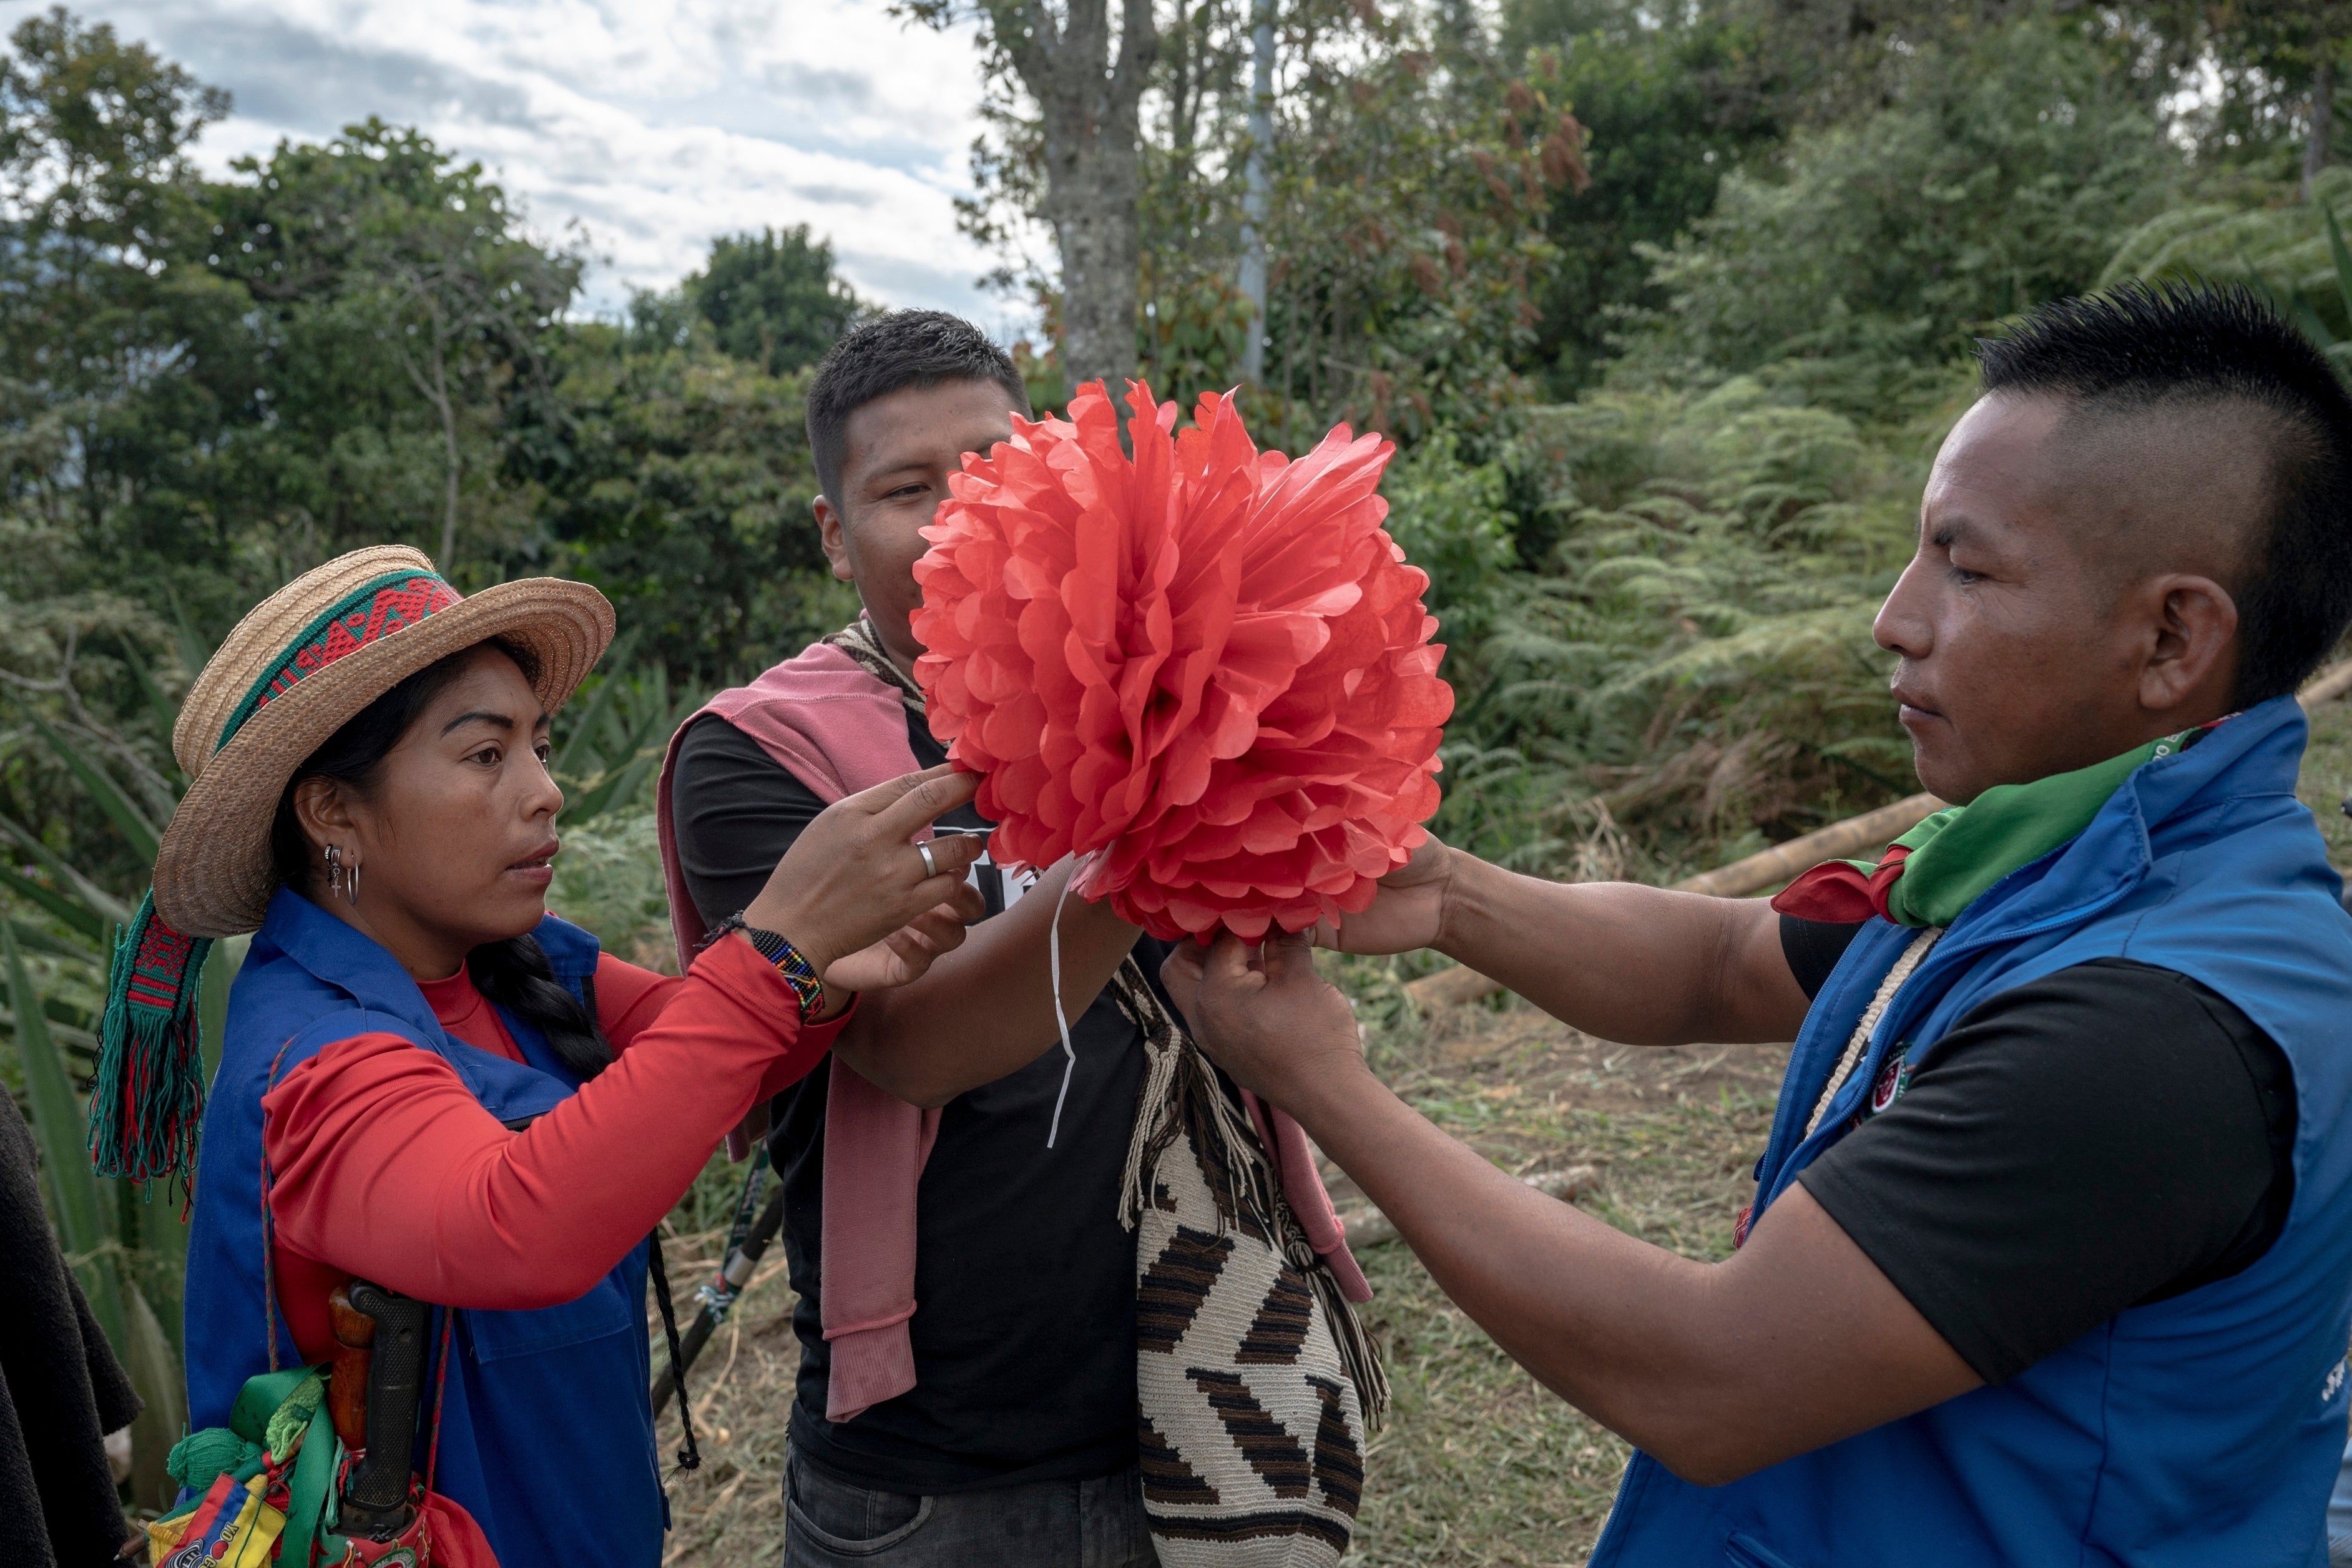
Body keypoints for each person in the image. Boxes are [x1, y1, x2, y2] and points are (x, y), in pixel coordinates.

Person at [1164, 282, 2352, 1566]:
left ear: (2174, 636)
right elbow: (1727, 965)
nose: (1895, 618)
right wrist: (1451, 894)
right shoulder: (2080, 862)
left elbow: (1710, 1378)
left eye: (1965, 564)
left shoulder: (2153, 1027)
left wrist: (1322, 1080)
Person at [655, 310, 1367, 1567]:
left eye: (991, 471)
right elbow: (908, 1047)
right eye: (904, 489)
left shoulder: (1144, 657)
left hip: (1202, 1391)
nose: (958, 516)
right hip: (936, 1477)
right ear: (833, 535)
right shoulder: (755, 755)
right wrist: (1165, 812)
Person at [133, 546, 985, 1565]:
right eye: (486, 755)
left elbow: (714, 1063)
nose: (546, 792)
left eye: (539, 745)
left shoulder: (518, 967)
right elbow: (511, 1221)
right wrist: (773, 952)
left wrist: (828, 971)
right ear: (332, 812)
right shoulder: (314, 1060)